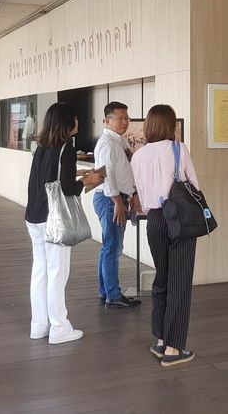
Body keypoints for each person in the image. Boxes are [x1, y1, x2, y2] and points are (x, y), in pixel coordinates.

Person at [24, 102, 104, 344]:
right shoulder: (66, 148)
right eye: (75, 118)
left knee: (40, 271)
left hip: (34, 215)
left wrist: (77, 174)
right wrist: (88, 180)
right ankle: (59, 328)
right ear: (68, 122)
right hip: (54, 219)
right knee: (57, 273)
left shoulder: (42, 146)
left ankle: (39, 326)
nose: (78, 122)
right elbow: (68, 188)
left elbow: (47, 179)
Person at [131, 105, 201, 366]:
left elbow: (140, 192)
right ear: (171, 125)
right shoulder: (178, 148)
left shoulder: (138, 155)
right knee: (180, 282)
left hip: (154, 220)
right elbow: (194, 185)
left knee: (162, 279)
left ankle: (161, 339)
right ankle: (174, 349)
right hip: (179, 219)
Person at [92, 101, 142, 309]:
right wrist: (118, 203)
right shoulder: (108, 143)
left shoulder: (117, 141)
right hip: (110, 200)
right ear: (107, 121)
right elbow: (107, 175)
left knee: (110, 247)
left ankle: (106, 292)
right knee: (113, 248)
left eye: (126, 118)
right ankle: (113, 294)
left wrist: (132, 193)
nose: (125, 122)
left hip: (116, 198)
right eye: (120, 118)